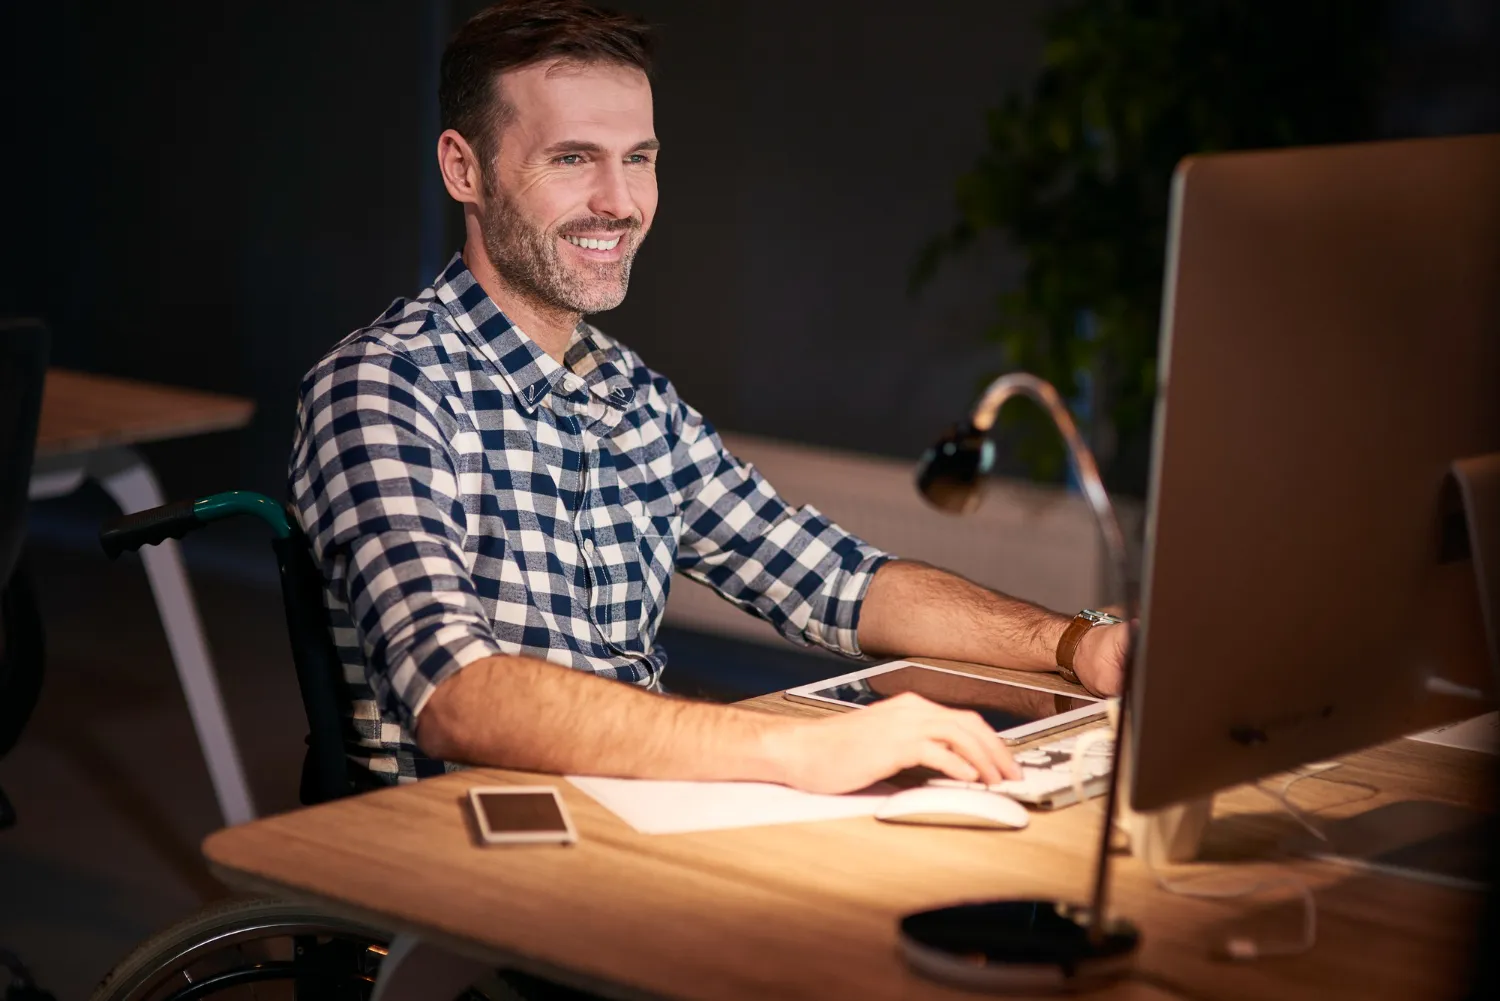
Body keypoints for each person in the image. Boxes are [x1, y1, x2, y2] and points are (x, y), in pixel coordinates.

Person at [288, 0, 1128, 795]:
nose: (620, 202)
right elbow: (457, 695)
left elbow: (834, 581)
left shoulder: (632, 397)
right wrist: (797, 749)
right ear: (463, 168)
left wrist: (1073, 641)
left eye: (640, 159)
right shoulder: (383, 388)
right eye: (573, 158)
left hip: (634, 824)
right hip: (455, 872)